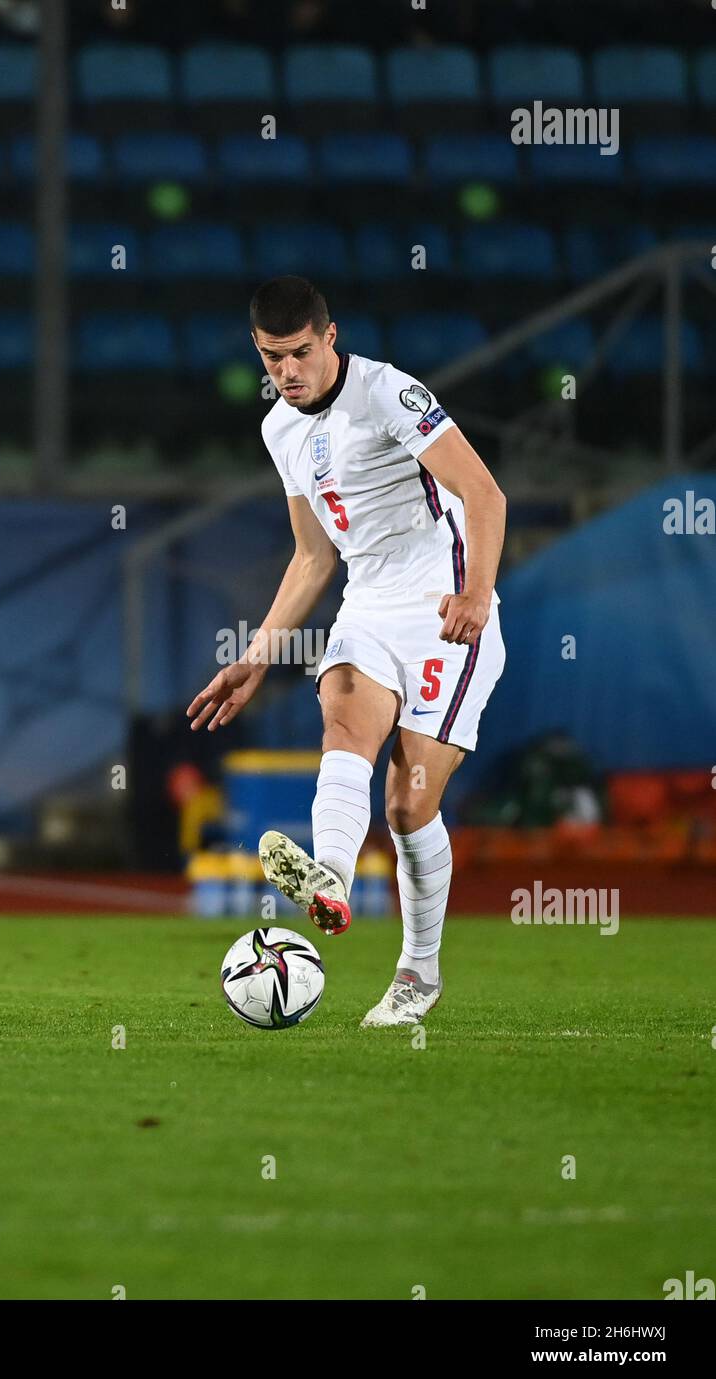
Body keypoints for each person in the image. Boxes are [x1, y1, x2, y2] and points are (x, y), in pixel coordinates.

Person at [187, 276, 506, 1026]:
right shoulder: (280, 431)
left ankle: (417, 975)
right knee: (342, 714)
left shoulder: (389, 394)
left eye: (299, 353)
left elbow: (484, 495)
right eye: (271, 359)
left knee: (407, 801)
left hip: (444, 604)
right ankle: (328, 876)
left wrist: (478, 595)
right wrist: (258, 655)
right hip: (368, 601)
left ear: (330, 338)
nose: (287, 372)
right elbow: (312, 557)